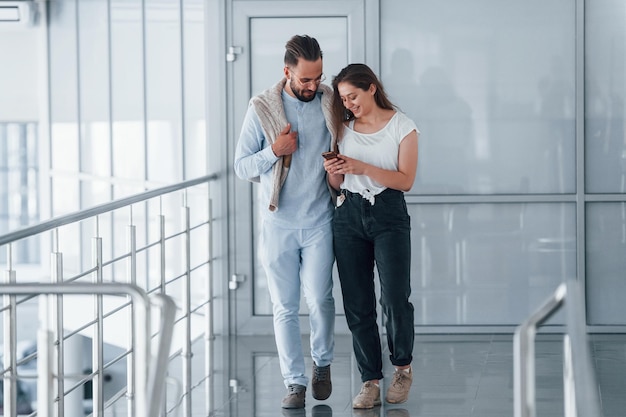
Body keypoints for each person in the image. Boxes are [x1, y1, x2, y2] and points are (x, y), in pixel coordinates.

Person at [233, 34, 337, 409]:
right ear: (287, 72)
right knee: (285, 306)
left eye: (318, 77)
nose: (313, 86)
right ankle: (294, 383)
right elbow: (241, 166)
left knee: (321, 299)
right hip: (279, 224)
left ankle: (322, 363)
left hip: (320, 220)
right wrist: (273, 152)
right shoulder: (261, 107)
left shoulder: (330, 101)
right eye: (305, 80)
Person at [324, 63, 419, 409]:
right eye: (343, 99)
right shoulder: (343, 128)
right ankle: (370, 380)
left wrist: (363, 167)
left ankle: (403, 368)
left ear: (371, 89)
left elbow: (405, 180)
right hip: (347, 215)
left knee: (395, 298)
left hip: (388, 213)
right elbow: (337, 185)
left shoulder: (402, 126)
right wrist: (334, 172)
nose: (348, 104)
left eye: (353, 96)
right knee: (358, 303)